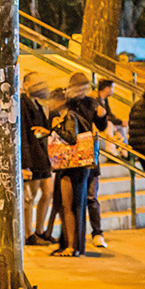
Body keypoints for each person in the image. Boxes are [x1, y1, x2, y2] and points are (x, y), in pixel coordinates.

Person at [47, 88, 92, 257]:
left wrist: (56, 127)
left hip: (72, 168)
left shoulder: (69, 116)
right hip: (70, 167)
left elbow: (71, 138)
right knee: (68, 207)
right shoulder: (70, 116)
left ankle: (71, 246)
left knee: (69, 207)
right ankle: (69, 244)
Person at [67, 72, 109, 249]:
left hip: (89, 154)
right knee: (74, 199)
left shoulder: (91, 102)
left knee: (92, 195)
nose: (83, 91)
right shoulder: (67, 102)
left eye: (85, 87)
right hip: (70, 156)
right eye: (80, 87)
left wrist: (101, 116)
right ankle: (74, 237)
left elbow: (101, 126)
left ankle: (97, 232)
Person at [21, 72, 55, 245]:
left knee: (48, 192)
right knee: (30, 196)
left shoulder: (38, 105)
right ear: (26, 84)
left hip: (42, 156)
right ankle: (29, 233)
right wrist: (25, 164)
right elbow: (24, 135)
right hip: (32, 158)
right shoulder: (23, 103)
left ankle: (40, 230)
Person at [97, 79, 128, 148]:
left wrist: (121, 121)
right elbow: (104, 117)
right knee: (111, 125)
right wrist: (120, 122)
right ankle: (119, 151)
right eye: (112, 88)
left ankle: (125, 150)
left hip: (105, 123)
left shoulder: (104, 99)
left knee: (123, 128)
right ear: (106, 89)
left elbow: (109, 114)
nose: (113, 90)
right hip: (100, 126)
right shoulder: (96, 100)